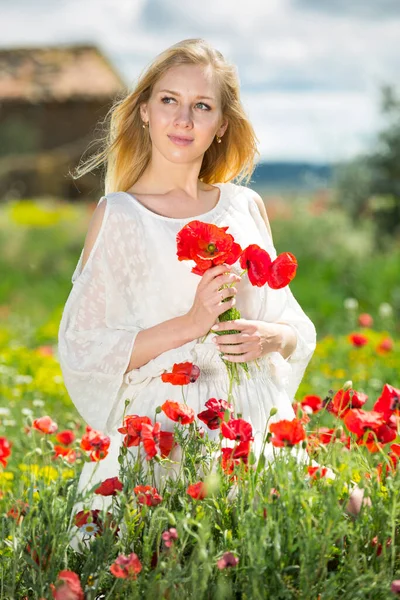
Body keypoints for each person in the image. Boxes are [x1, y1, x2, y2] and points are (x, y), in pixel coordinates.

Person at [57, 39, 368, 544]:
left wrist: (271, 336)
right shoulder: (119, 217)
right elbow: (84, 348)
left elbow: (295, 327)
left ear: (222, 123)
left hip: (250, 419)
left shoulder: (245, 207)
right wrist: (191, 323)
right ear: (143, 111)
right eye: (168, 101)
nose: (183, 119)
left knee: (356, 512)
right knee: (185, 549)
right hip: (165, 433)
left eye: (201, 106)